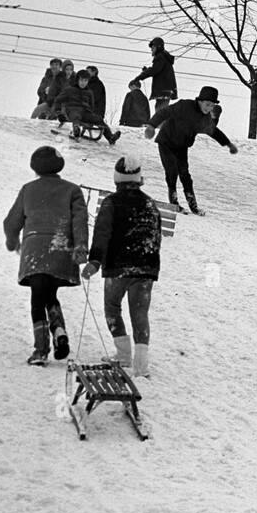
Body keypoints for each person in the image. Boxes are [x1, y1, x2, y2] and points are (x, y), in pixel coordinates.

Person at [3, 146, 89, 365]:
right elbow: (80, 221)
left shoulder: (28, 190)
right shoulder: (72, 190)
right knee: (48, 293)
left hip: (35, 251)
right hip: (61, 250)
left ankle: (41, 350)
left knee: (37, 298)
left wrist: (12, 242)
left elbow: (11, 222)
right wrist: (80, 247)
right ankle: (59, 330)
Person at [82, 155, 161, 378]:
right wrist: (150, 265)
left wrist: (95, 260)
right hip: (145, 268)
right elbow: (155, 237)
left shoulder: (111, 203)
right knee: (140, 313)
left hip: (119, 267)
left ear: (117, 179)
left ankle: (123, 354)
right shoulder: (149, 204)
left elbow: (102, 233)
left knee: (112, 307)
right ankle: (141, 366)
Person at [146, 85, 237, 215]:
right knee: (172, 172)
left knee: (185, 175)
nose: (209, 108)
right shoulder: (184, 106)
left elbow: (213, 132)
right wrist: (151, 125)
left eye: (212, 106)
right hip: (167, 142)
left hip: (182, 146)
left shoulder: (205, 119)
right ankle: (174, 203)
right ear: (200, 101)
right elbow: (165, 112)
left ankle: (193, 205)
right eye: (207, 104)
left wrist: (228, 144)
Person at [52, 69, 121, 143]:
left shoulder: (89, 92)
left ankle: (110, 137)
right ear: (77, 80)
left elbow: (91, 106)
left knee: (98, 119)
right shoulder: (69, 90)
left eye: (85, 81)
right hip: (72, 110)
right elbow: (58, 100)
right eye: (81, 80)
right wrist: (59, 113)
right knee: (76, 116)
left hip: (85, 112)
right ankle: (76, 130)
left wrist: (91, 115)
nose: (83, 83)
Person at [135, 37, 177, 115]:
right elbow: (157, 70)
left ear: (158, 47)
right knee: (160, 110)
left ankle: (161, 127)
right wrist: (147, 71)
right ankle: (160, 126)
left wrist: (140, 76)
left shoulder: (160, 57)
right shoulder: (164, 57)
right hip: (166, 90)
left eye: (153, 47)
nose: (151, 50)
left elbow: (154, 70)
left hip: (163, 90)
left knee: (160, 112)